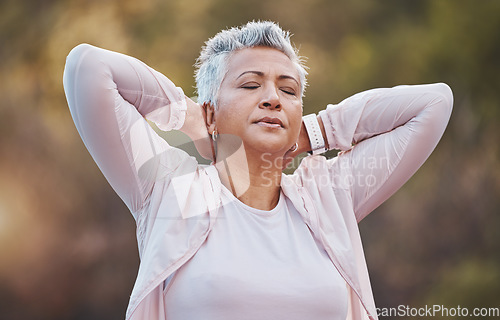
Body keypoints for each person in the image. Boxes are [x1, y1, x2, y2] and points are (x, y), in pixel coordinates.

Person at [63, 21, 453, 320]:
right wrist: (190, 119)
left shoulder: (329, 195)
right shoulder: (170, 190)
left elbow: (434, 104)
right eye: (250, 85)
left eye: (288, 91)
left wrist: (314, 131)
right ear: (212, 110)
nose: (272, 98)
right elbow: (87, 67)